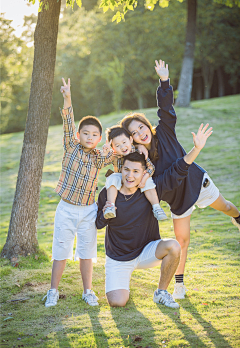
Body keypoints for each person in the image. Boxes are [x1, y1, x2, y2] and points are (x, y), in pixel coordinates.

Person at [121, 59, 240, 300]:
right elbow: (164, 183)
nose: (140, 133)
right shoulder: (140, 164)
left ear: (147, 125)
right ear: (131, 139)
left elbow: (166, 109)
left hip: (197, 183)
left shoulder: (164, 131)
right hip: (178, 200)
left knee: (227, 207)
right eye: (134, 133)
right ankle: (179, 285)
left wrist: (164, 81)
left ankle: (238, 218)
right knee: (181, 241)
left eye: (141, 127)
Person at [96, 124, 213, 308]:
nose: (130, 176)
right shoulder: (109, 191)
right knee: (118, 302)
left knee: (174, 246)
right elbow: (98, 224)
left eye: (136, 171)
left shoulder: (151, 189)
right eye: (126, 170)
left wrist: (196, 148)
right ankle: (122, 284)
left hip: (145, 251)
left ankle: (161, 292)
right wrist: (106, 215)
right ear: (121, 169)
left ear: (144, 172)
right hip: (118, 257)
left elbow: (179, 169)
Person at [43, 78, 112, 308]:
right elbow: (67, 121)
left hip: (89, 211)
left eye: (94, 135)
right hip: (66, 210)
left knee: (86, 252)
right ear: (79, 135)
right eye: (86, 133)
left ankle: (88, 291)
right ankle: (53, 291)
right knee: (60, 250)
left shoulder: (99, 156)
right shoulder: (71, 146)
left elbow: (117, 151)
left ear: (99, 139)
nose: (90, 137)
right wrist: (67, 97)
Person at [103, 125, 167, 221]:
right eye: (117, 145)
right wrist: (105, 153)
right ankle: (110, 206)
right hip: (122, 179)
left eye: (124, 142)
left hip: (138, 178)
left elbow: (151, 167)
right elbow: (102, 163)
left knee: (148, 180)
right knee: (112, 177)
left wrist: (144, 178)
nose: (123, 147)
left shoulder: (139, 151)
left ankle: (157, 208)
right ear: (113, 147)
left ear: (131, 140)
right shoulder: (114, 155)